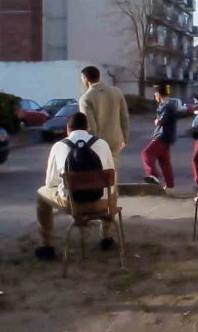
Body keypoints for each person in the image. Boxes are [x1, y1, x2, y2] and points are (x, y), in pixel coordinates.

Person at [34, 112, 116, 260]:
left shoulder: (58, 146)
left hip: (74, 205)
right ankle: (107, 237)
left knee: (41, 193)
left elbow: (50, 182)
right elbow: (112, 178)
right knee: (112, 188)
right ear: (88, 128)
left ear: (68, 129)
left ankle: (47, 246)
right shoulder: (103, 144)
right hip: (102, 204)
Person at [77, 65, 129, 170]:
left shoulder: (86, 98)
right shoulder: (116, 92)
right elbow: (124, 117)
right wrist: (125, 138)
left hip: (99, 141)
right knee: (113, 171)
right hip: (116, 140)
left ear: (85, 79)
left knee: (100, 175)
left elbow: (90, 126)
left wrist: (90, 147)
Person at [141, 86, 177, 192]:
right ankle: (170, 186)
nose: (154, 97)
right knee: (164, 161)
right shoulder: (165, 104)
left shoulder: (167, 105)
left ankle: (153, 176)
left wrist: (157, 121)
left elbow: (161, 121)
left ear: (159, 94)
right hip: (166, 136)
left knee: (146, 153)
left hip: (162, 135)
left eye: (155, 94)